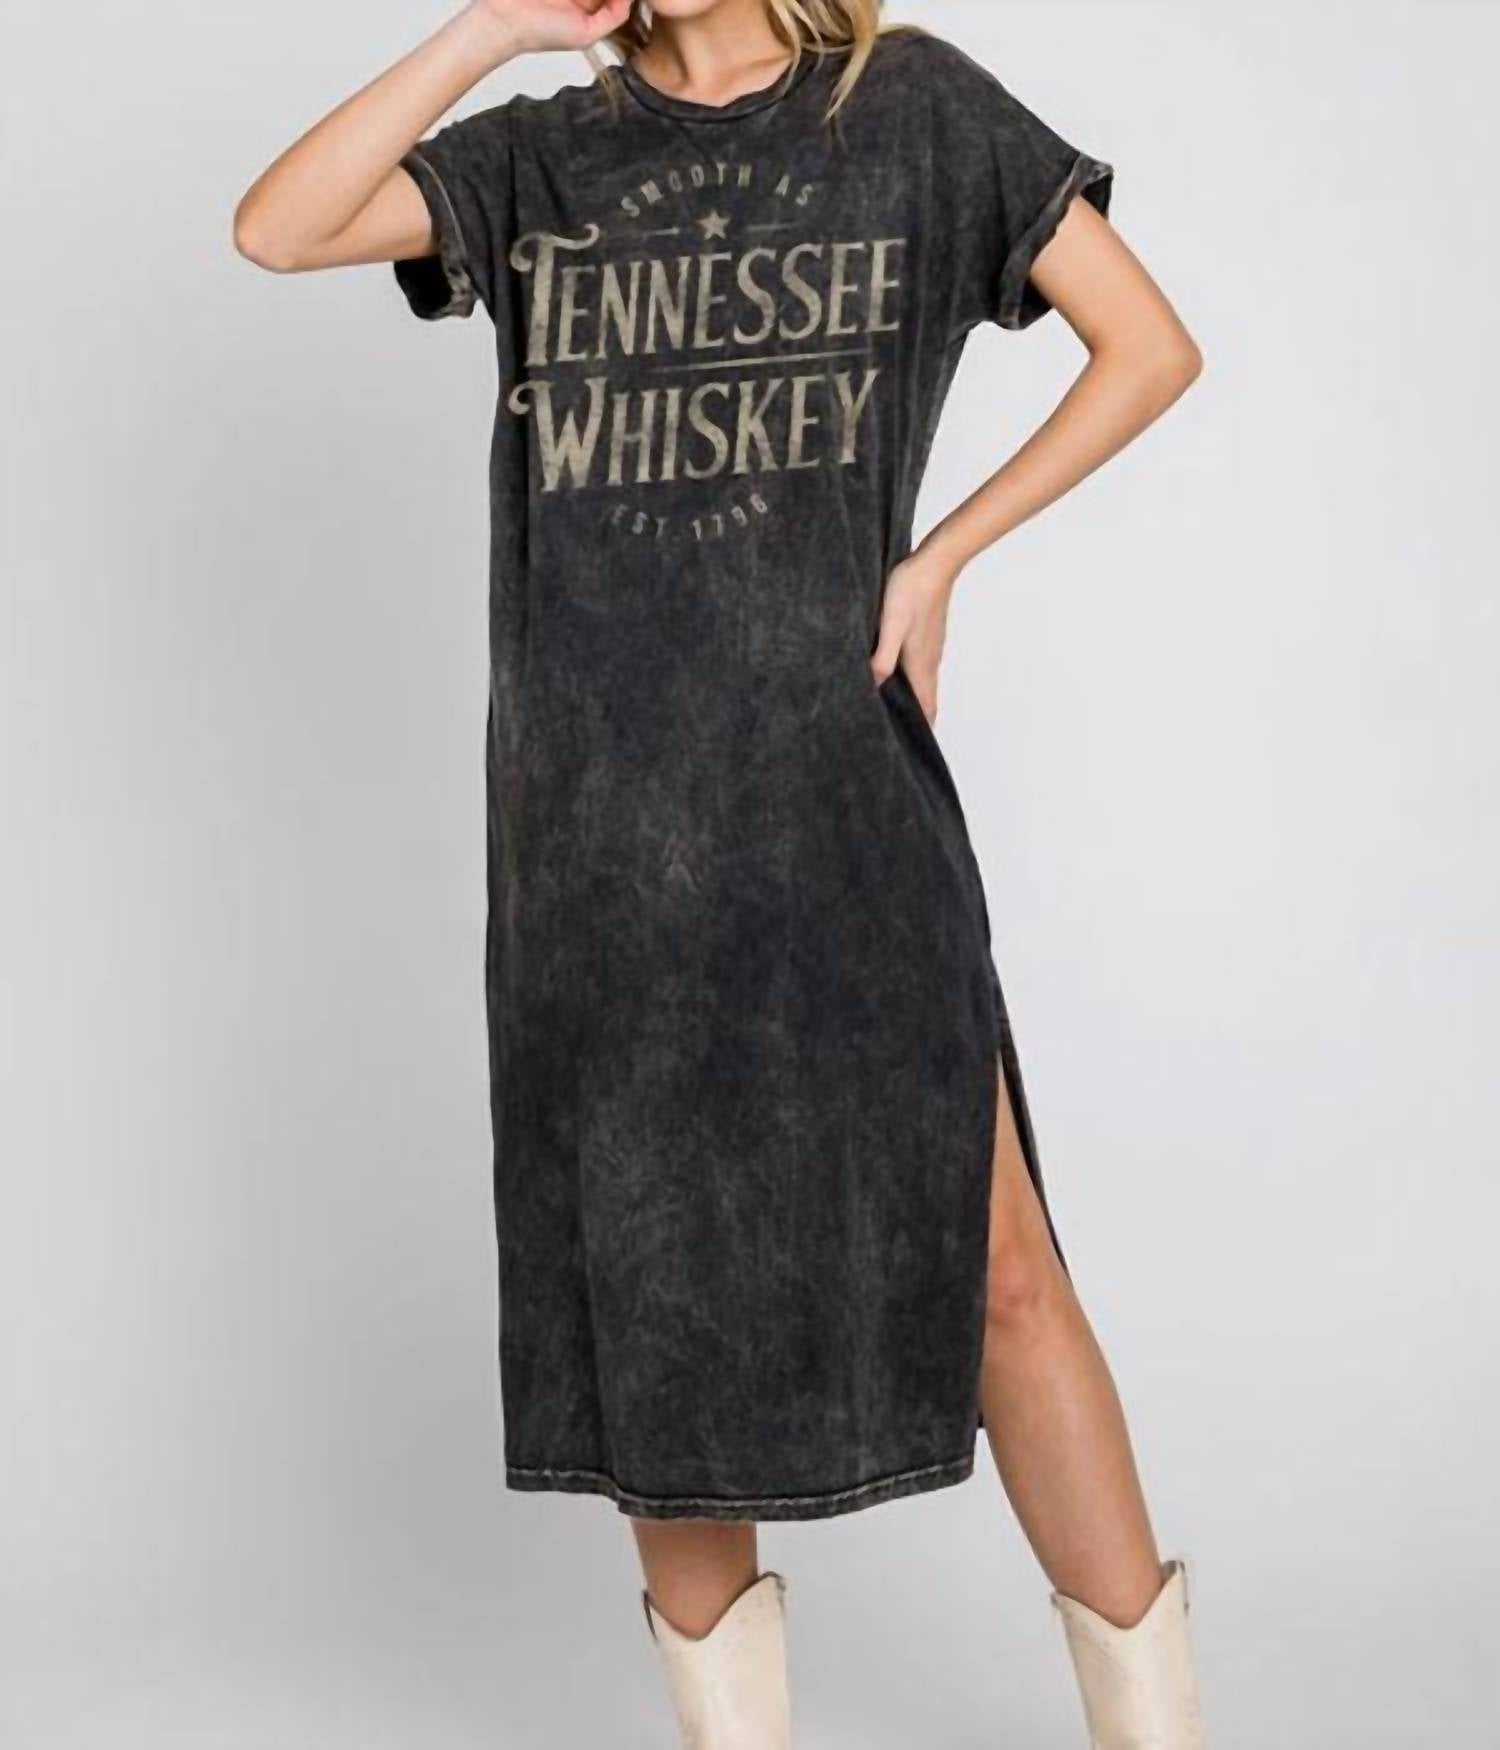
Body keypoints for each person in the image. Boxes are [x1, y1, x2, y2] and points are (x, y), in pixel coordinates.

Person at [234, 1, 1206, 1743]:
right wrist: (494, 30)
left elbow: (1148, 346)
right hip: (602, 844)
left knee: (1000, 1277)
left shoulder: (910, 111)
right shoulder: (547, 154)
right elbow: (278, 226)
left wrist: (942, 556)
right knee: (661, 1325)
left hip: (840, 808)